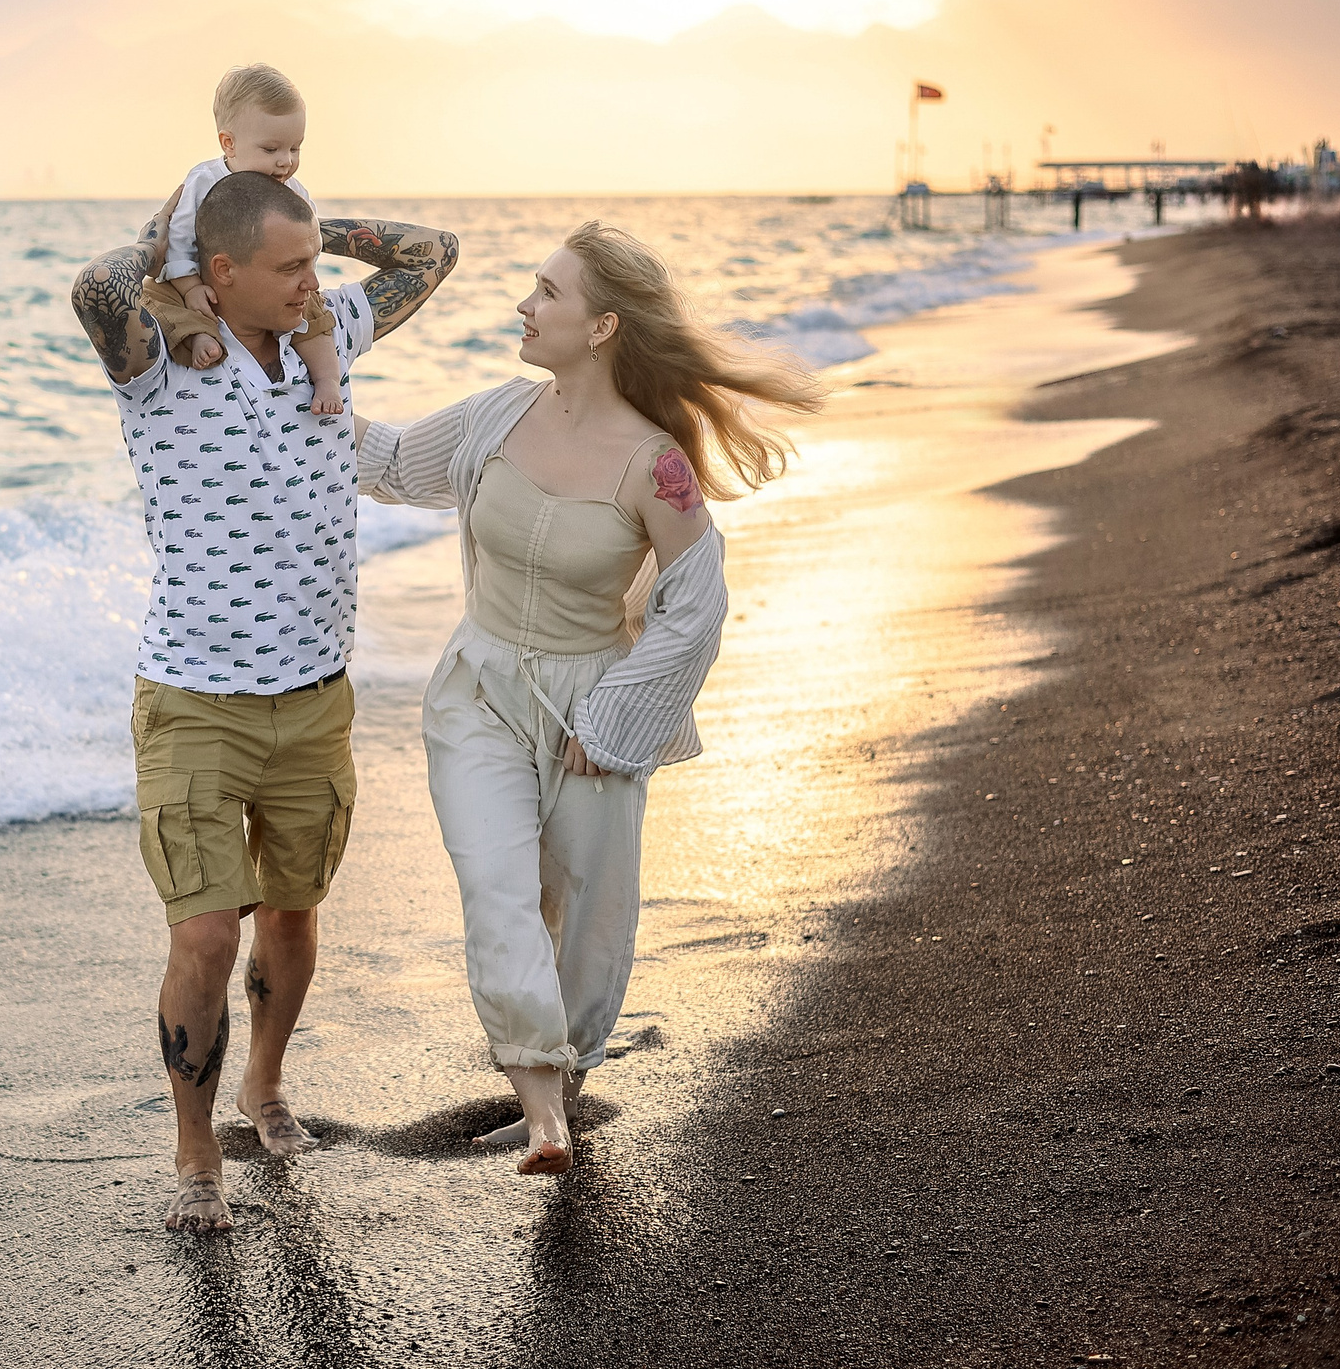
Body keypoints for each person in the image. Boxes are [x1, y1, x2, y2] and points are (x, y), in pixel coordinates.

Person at [356, 221, 822, 1175]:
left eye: (546, 292)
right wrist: (285, 380)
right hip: (479, 689)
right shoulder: (496, 416)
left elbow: (697, 603)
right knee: (498, 888)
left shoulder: (655, 465)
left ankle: (565, 1075)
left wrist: (614, 722)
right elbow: (396, 463)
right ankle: (542, 1113)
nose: (523, 307)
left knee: (586, 909)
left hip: (590, 707)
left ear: (603, 324)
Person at [69, 172, 461, 1232]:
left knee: (293, 913)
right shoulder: (159, 364)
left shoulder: (321, 332)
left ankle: (265, 1084)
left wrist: (306, 224)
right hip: (195, 700)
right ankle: (196, 1154)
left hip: (316, 694)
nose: (312, 284)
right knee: (202, 937)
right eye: (288, 268)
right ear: (222, 271)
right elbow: (94, 288)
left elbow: (435, 251)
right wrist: (176, 236)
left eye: (316, 267)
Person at [139, 64, 346, 415]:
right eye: (271, 150)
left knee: (316, 314)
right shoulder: (204, 181)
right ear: (229, 143)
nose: (286, 162)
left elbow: (309, 239)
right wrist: (190, 286)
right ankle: (198, 336)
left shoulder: (292, 190)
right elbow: (178, 237)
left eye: (295, 149)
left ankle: (327, 379)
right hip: (196, 280)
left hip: (258, 290)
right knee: (160, 301)